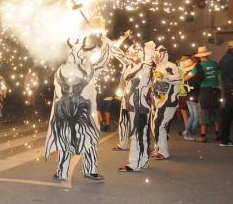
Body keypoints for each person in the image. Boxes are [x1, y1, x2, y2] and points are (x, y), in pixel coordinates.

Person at [45, 30, 131, 181]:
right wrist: (106, 43)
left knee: (79, 140)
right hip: (72, 114)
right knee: (83, 140)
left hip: (74, 114)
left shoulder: (66, 70)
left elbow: (103, 60)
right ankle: (83, 171)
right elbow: (104, 60)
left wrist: (108, 42)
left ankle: (66, 171)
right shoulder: (87, 69)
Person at [118, 41, 156, 172]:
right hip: (136, 106)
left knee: (137, 135)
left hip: (140, 106)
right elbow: (127, 75)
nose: (129, 55)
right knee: (142, 134)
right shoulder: (136, 66)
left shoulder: (145, 66)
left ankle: (134, 164)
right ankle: (143, 160)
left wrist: (146, 51)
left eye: (133, 53)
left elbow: (149, 54)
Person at [150, 46, 180, 160]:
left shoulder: (170, 66)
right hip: (158, 103)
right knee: (156, 126)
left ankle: (163, 152)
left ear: (163, 54)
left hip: (168, 102)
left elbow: (178, 80)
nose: (155, 58)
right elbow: (158, 86)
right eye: (155, 56)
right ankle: (158, 148)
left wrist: (165, 77)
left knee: (159, 125)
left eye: (157, 55)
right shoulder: (158, 67)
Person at [194, 46, 221, 142]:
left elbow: (189, 77)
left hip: (205, 91)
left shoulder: (199, 66)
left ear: (200, 56)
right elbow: (219, 73)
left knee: (203, 113)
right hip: (216, 91)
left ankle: (203, 136)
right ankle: (218, 134)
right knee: (216, 113)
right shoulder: (215, 63)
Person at [183, 58, 204, 141]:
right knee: (197, 117)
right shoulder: (194, 75)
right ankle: (190, 134)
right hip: (195, 97)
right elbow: (201, 77)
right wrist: (198, 65)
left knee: (192, 116)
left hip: (188, 97)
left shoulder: (187, 75)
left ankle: (186, 133)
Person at [219, 40, 233, 146]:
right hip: (231, 87)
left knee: (226, 115)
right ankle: (224, 139)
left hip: (226, 89)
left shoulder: (223, 58)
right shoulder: (231, 59)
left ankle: (224, 138)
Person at [177, 56, 190, 135]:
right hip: (184, 93)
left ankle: (187, 130)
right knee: (185, 112)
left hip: (183, 93)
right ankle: (187, 129)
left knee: (185, 113)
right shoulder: (186, 70)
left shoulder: (183, 70)